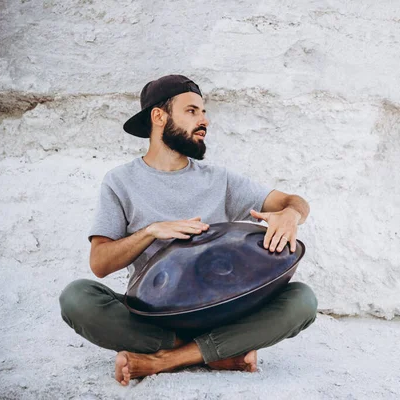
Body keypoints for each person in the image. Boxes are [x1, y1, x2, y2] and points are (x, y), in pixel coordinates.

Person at [58, 75, 318, 386]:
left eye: (204, 113)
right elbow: (99, 263)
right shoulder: (120, 182)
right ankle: (214, 352)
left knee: (303, 300)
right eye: (192, 111)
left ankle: (168, 359)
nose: (204, 121)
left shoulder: (219, 179)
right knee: (77, 297)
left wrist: (290, 214)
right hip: (157, 317)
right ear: (159, 116)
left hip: (225, 310)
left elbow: (291, 200)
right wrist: (151, 231)